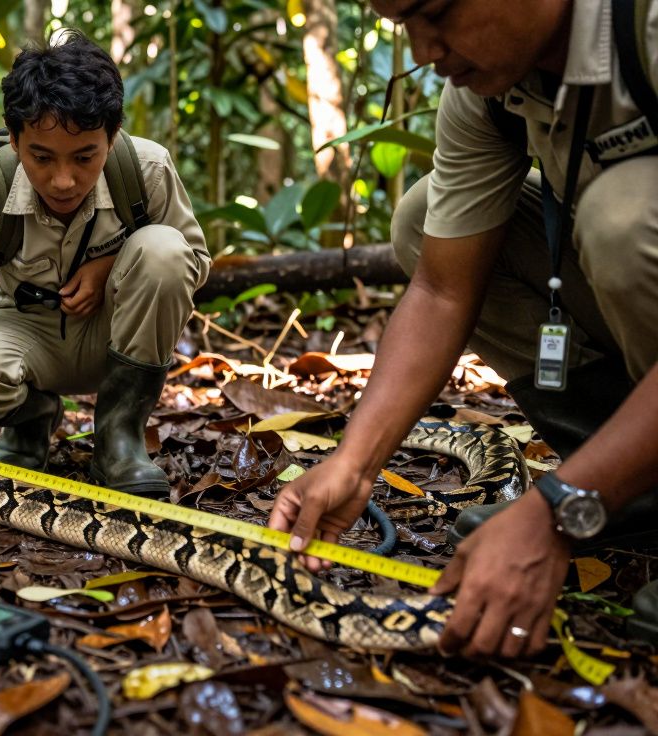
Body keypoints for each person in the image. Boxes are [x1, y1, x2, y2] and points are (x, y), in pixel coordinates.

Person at [270, 0, 658, 658]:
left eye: (438, 12)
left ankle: (595, 490)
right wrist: (355, 464)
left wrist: (553, 513)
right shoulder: (490, 90)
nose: (424, 50)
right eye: (404, 26)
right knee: (428, 221)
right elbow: (442, 288)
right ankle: (635, 492)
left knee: (625, 223)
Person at [0, 31, 211, 494]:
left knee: (163, 248)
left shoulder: (148, 169)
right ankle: (32, 419)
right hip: (26, 338)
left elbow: (194, 260)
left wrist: (110, 265)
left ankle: (119, 437)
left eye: (85, 157)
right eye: (42, 157)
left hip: (117, 337)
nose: (63, 180)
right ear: (16, 140)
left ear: (113, 135)